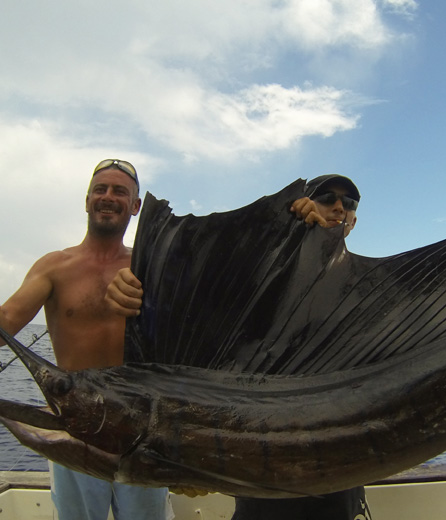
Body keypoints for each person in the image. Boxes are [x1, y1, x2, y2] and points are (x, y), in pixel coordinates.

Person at [105, 174, 372, 520]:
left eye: (348, 203)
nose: (338, 206)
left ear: (354, 218)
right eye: (325, 197)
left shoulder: (363, 297)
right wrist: (134, 288)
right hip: (258, 499)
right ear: (303, 205)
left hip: (339, 497)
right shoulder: (261, 286)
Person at [0, 159, 171, 520]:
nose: (108, 197)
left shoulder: (153, 269)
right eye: (100, 189)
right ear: (86, 200)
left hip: (142, 432)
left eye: (119, 192)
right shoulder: (54, 266)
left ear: (135, 206)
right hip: (75, 429)